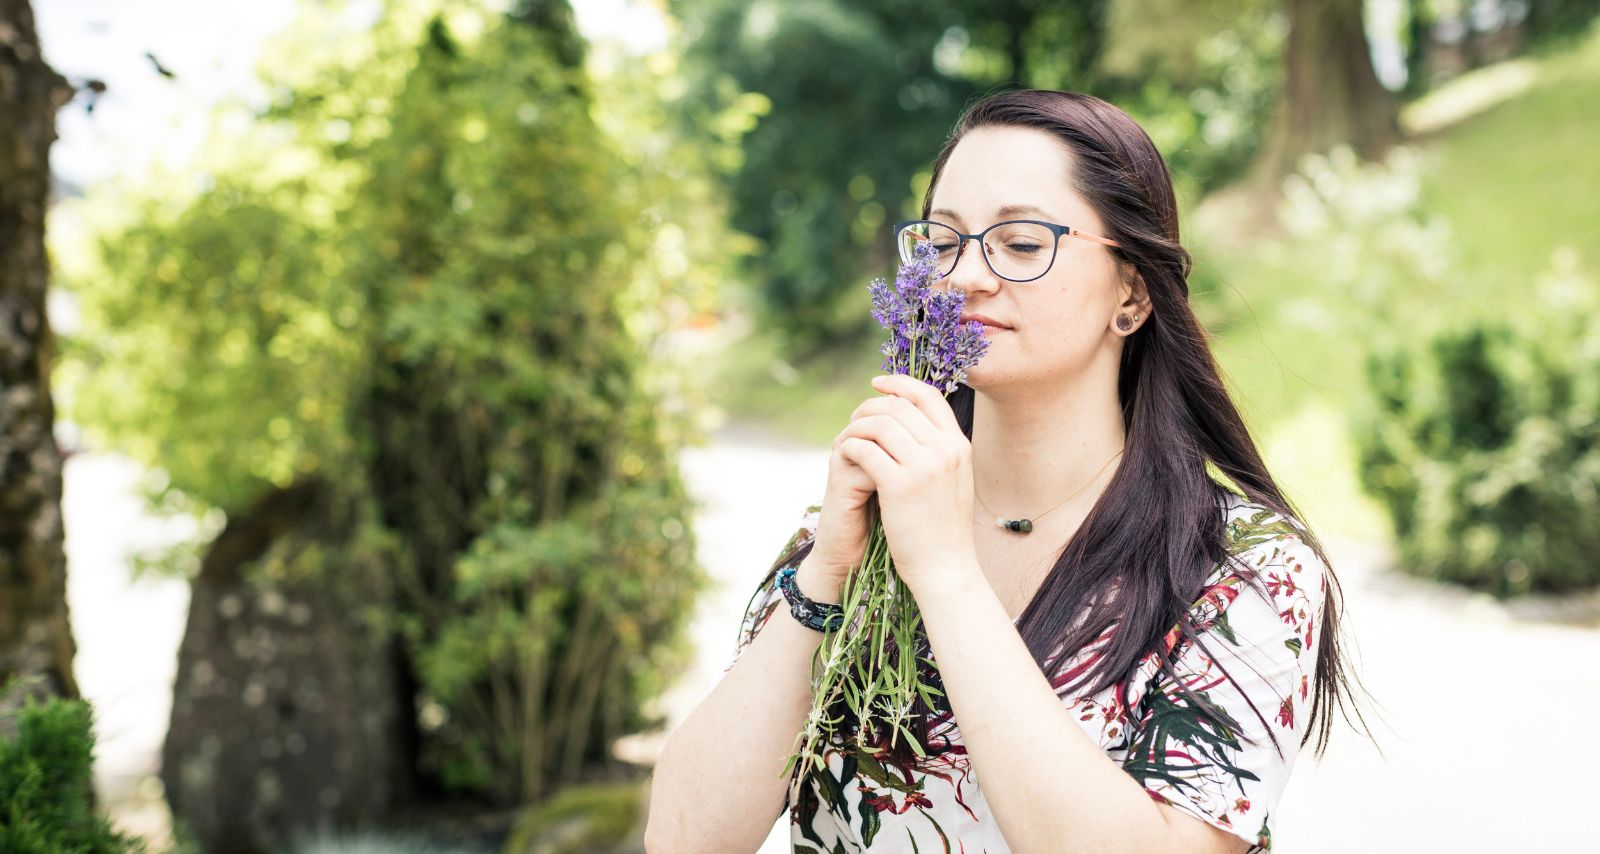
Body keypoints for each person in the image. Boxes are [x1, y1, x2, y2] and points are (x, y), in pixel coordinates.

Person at [645, 89, 1366, 854]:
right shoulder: (852, 543)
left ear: (1132, 291)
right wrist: (826, 570)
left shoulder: (1245, 568)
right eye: (944, 243)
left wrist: (949, 575)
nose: (964, 278)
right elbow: (685, 839)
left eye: (1021, 244)